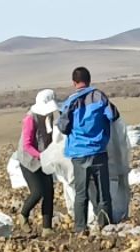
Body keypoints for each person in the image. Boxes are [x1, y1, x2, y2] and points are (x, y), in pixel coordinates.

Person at [59, 66, 118, 232]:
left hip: (78, 154)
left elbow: (63, 127)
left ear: (74, 83)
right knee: (103, 192)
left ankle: (80, 229)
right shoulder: (100, 96)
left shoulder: (69, 102)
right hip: (99, 150)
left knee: (81, 193)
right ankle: (106, 226)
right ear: (89, 80)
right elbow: (113, 115)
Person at [16, 89, 58, 229]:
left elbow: (49, 136)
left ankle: (47, 228)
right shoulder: (30, 118)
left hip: (43, 159)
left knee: (49, 192)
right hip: (29, 160)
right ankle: (23, 214)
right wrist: (41, 156)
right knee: (38, 191)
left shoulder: (48, 116)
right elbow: (27, 145)